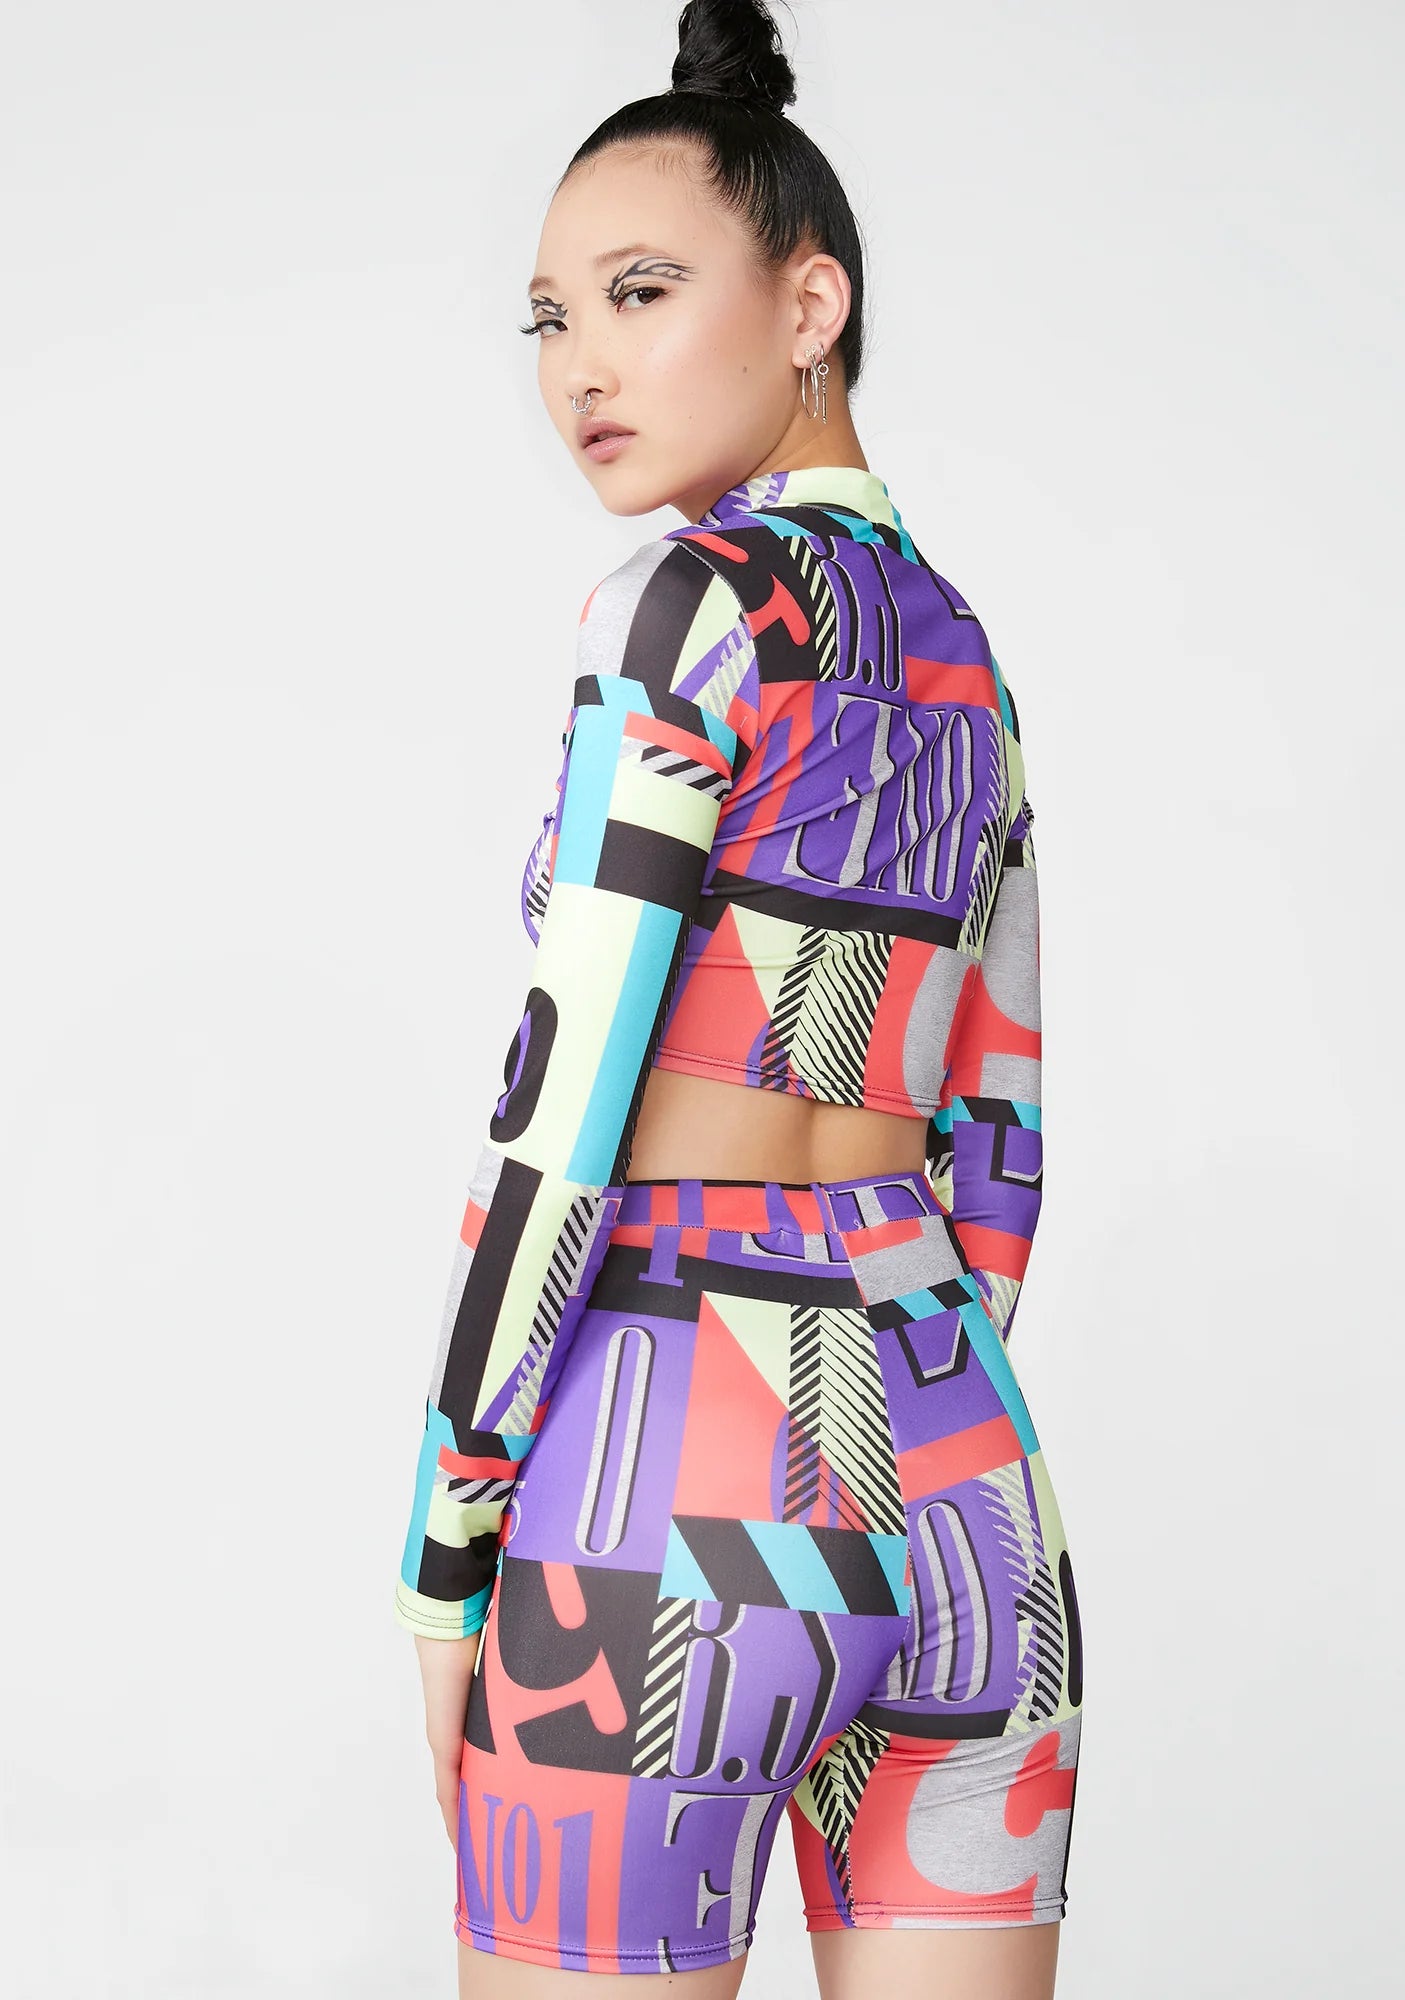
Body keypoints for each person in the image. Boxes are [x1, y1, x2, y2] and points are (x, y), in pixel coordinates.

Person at [394, 4, 1083, 1994]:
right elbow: (999, 1124)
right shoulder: (962, 653)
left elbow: (562, 1110)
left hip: (668, 1465)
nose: (579, 366)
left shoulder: (684, 604)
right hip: (964, 1487)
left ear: (809, 304)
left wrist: (449, 1549)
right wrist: (915, 1401)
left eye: (636, 292)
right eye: (547, 319)